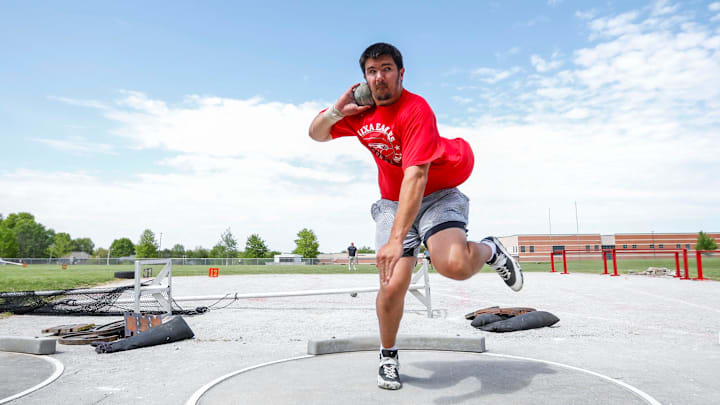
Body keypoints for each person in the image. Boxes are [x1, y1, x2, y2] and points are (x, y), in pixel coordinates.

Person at [309, 42, 523, 390]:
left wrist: (396, 240)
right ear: (364, 77)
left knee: (453, 266)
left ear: (401, 73)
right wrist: (337, 110)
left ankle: (490, 250)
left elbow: (417, 176)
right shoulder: (359, 113)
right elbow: (315, 134)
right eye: (372, 71)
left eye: (387, 69)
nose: (380, 77)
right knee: (392, 285)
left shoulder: (416, 109)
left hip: (437, 191)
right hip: (393, 202)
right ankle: (388, 355)